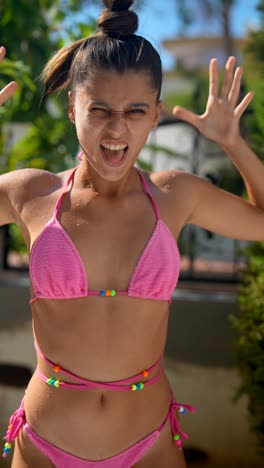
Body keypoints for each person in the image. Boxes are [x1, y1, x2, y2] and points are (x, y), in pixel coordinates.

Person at [1, 0, 264, 466]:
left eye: (136, 110)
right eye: (99, 108)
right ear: (72, 108)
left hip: (150, 446)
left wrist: (233, 144)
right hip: (44, 446)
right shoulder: (32, 193)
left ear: (157, 113)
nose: (117, 127)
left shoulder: (175, 196)